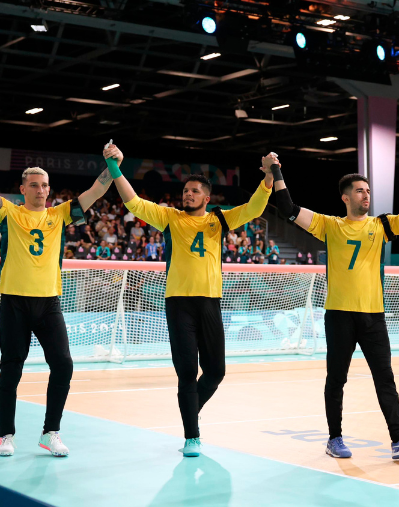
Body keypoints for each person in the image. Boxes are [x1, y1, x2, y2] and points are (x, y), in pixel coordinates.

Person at [268, 161, 399, 461]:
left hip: (373, 316)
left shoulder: (380, 226)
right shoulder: (330, 225)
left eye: (368, 191)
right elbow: (287, 207)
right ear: (346, 198)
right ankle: (334, 438)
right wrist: (276, 170)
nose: (366, 196)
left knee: (385, 379)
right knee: (336, 379)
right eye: (359, 191)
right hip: (340, 315)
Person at [0, 123, 115, 458]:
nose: (41, 190)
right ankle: (5, 435)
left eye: (45, 185)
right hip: (14, 303)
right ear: (23, 189)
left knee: (64, 365)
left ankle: (50, 432)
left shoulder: (60, 215)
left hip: (49, 305)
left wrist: (113, 164)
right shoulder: (8, 214)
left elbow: (96, 191)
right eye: (34, 185)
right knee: (11, 368)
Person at [107, 142, 275, 458]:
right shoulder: (170, 218)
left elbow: (254, 208)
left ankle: (189, 410)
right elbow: (133, 202)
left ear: (207, 198)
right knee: (187, 372)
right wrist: (115, 167)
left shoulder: (220, 220)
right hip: (179, 303)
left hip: (210, 302)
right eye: (186, 190)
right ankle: (191, 436)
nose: (188, 194)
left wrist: (268, 175)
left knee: (216, 372)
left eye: (195, 191)